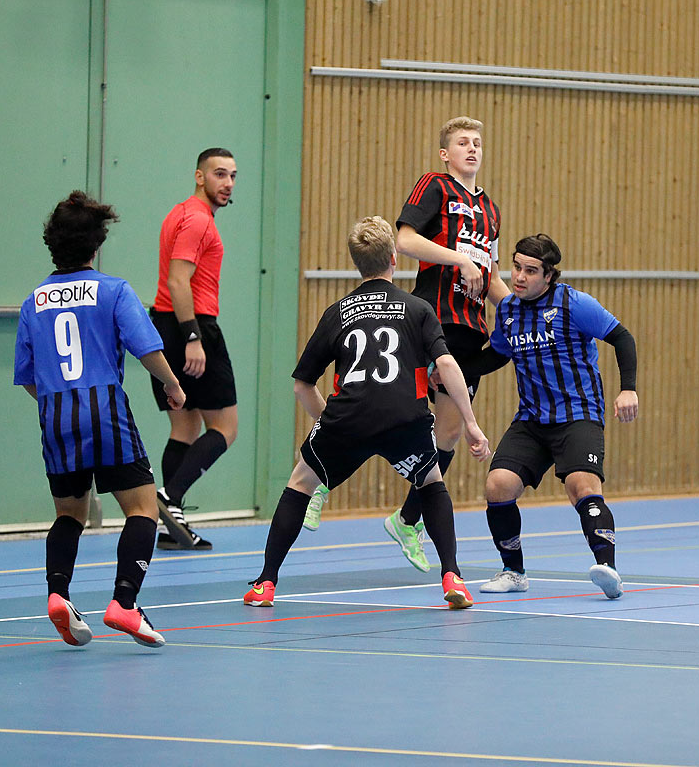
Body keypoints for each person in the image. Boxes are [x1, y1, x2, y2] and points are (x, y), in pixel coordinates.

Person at [244, 216, 490, 610]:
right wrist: (473, 425)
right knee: (430, 480)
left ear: (358, 264)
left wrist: (327, 424)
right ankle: (453, 577)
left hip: (349, 416)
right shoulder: (418, 308)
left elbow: (301, 385)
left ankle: (265, 584)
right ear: (394, 258)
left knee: (300, 483)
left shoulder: (337, 312)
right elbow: (446, 366)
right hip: (404, 418)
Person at [15, 192, 188, 649]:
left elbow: (29, 378)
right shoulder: (113, 290)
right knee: (142, 509)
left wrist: (56, 403)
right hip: (104, 411)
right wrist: (172, 384)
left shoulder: (34, 301)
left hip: (55, 416)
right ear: (96, 245)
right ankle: (124, 603)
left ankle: (58, 595)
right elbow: (145, 347)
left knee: (69, 515)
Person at [349, 117, 508, 571]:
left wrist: (520, 308)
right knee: (393, 408)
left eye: (478, 142)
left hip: (471, 328)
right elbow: (405, 239)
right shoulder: (435, 186)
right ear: (446, 153)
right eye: (462, 143)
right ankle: (317, 477)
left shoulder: (490, 210)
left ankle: (406, 519)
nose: (472, 149)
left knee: (451, 431)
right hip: (432, 318)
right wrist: (460, 259)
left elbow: (490, 275)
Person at [455, 234, 638, 599]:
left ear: (549, 275)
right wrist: (449, 367)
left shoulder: (574, 304)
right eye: (516, 267)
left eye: (530, 271)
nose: (519, 277)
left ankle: (608, 569)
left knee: (581, 487)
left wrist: (628, 389)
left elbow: (622, 338)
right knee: (498, 485)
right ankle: (514, 570)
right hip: (532, 420)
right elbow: (495, 357)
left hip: (578, 416)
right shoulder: (508, 310)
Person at [151, 148, 239, 551]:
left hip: (166, 326)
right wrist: (192, 338)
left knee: (183, 428)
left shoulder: (179, 213)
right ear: (199, 177)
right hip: (192, 326)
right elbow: (177, 280)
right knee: (225, 428)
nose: (228, 183)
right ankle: (169, 498)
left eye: (233, 176)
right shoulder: (198, 220)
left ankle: (172, 523)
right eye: (219, 174)